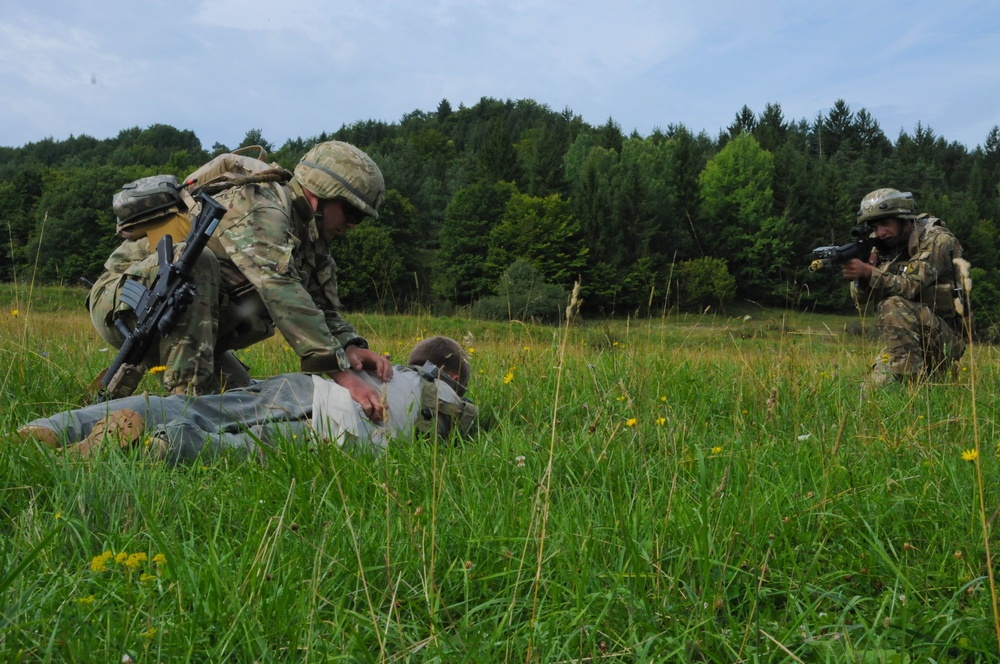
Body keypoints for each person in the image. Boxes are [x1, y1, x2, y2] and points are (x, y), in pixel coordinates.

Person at [87, 141, 393, 422]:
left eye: (361, 218)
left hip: (183, 322)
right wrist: (342, 374)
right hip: (126, 298)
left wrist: (350, 347)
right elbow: (280, 287)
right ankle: (181, 410)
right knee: (198, 262)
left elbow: (323, 307)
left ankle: (124, 416)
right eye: (351, 212)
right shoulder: (263, 206)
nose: (353, 225)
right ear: (321, 192)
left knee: (241, 406)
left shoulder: (312, 242)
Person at [15, 337, 476, 464]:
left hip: (309, 386)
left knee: (189, 406)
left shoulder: (384, 367)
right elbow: (469, 420)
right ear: (453, 373)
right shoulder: (451, 396)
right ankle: (155, 448)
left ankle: (54, 427)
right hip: (344, 436)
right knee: (237, 448)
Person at [841, 188, 971, 386]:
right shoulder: (883, 246)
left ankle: (911, 380)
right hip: (908, 338)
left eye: (885, 224)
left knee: (892, 304)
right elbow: (861, 302)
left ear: (905, 220)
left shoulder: (936, 240)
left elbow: (911, 285)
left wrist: (868, 272)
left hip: (947, 340)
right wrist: (861, 275)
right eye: (875, 227)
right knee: (873, 390)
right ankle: (915, 379)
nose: (880, 233)